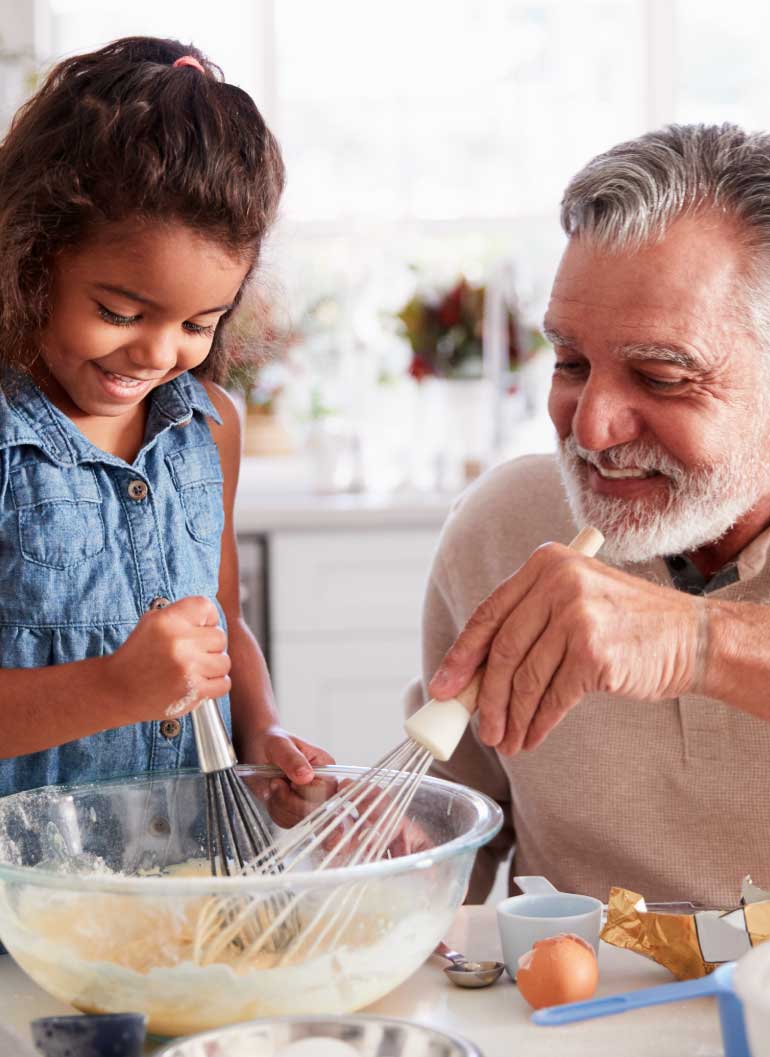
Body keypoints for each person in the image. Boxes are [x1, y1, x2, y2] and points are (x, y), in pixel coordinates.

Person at [406, 123, 770, 907]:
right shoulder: (508, 526)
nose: (591, 427)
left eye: (661, 375)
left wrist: (695, 640)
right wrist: (380, 852)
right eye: (571, 364)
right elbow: (446, 825)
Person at [0, 36, 333, 798]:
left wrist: (264, 733)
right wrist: (116, 686)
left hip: (182, 882)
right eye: (119, 311)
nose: (154, 353)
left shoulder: (210, 427)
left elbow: (224, 624)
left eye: (197, 323)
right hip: (25, 895)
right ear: (33, 257)